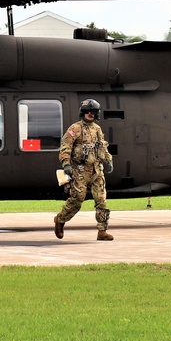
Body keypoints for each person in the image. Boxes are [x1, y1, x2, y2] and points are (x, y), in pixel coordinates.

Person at [54, 98, 114, 241]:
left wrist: (109, 159)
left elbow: (102, 147)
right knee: (77, 199)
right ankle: (60, 220)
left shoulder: (97, 129)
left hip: (96, 170)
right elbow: (66, 146)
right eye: (88, 111)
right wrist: (66, 164)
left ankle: (102, 230)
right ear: (83, 112)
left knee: (101, 200)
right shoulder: (75, 128)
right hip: (79, 170)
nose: (90, 114)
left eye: (93, 112)